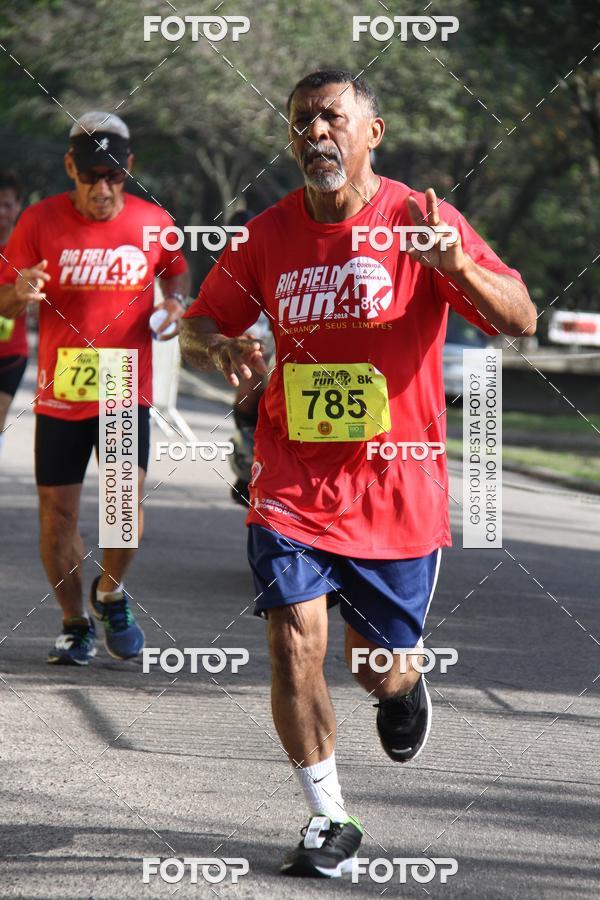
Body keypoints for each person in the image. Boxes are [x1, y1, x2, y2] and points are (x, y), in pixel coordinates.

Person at [180, 69, 536, 878]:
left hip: (397, 486)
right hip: (293, 481)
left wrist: (458, 267)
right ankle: (329, 816)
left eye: (333, 119)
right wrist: (222, 347)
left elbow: (520, 317)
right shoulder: (266, 235)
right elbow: (199, 324)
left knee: (373, 667)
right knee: (290, 638)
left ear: (371, 133)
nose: (316, 135)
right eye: (302, 121)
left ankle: (404, 686)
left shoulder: (417, 220)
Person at [0, 112, 190, 666]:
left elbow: (176, 269)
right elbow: (3, 301)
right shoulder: (38, 221)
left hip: (124, 384)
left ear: (128, 169)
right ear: (70, 168)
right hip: (63, 386)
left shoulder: (155, 222)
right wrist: (18, 292)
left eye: (113, 175)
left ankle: (109, 594)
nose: (102, 188)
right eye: (90, 175)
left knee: (122, 508)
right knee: (56, 514)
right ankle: (74, 621)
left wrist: (174, 301)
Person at [226, 209, 275, 507]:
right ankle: (248, 466)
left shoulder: (281, 254)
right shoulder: (231, 270)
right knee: (250, 387)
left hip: (287, 340)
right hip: (256, 345)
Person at [0, 171, 26, 454]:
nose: (1, 212)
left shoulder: (25, 246)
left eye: (7, 205)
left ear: (17, 207)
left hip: (11, 352)